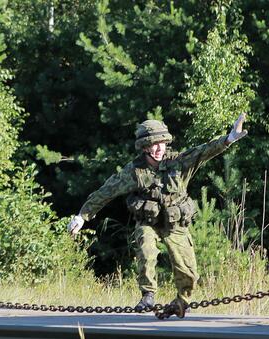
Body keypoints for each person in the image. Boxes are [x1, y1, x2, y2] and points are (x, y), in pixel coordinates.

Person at [68, 114, 247, 319]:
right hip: (149, 222)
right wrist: (82, 215)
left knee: (187, 268)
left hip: (175, 223)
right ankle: (148, 295)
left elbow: (204, 151)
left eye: (162, 143)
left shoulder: (178, 162)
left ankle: (182, 301)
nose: (160, 148)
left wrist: (229, 138)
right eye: (155, 144)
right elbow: (106, 191)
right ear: (145, 147)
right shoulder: (134, 172)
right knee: (146, 248)